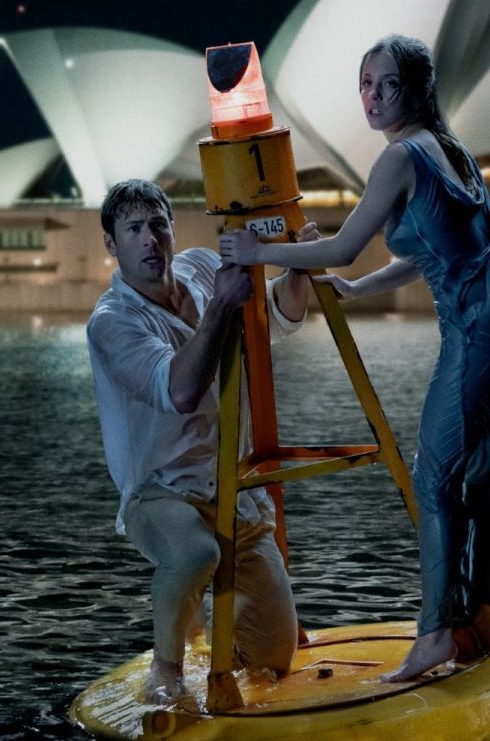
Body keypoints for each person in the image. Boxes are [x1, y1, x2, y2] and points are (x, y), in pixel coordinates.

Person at [219, 35, 490, 682]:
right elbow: (435, 252)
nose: (370, 96)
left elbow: (340, 248)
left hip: (478, 333)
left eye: (385, 84)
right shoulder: (452, 152)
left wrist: (257, 255)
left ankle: (435, 635)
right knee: (482, 482)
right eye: (364, 83)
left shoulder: (399, 157)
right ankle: (479, 617)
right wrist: (364, 289)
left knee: (433, 480)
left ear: (416, 91)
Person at [86, 179, 314, 703]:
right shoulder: (113, 321)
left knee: (275, 654)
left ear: (173, 228)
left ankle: (209, 625)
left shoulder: (201, 266)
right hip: (161, 490)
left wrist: (298, 263)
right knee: (192, 552)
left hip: (232, 487)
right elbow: (181, 390)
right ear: (111, 245)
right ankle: (165, 670)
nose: (150, 240)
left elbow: (278, 316)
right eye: (134, 230)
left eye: (158, 225)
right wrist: (218, 310)